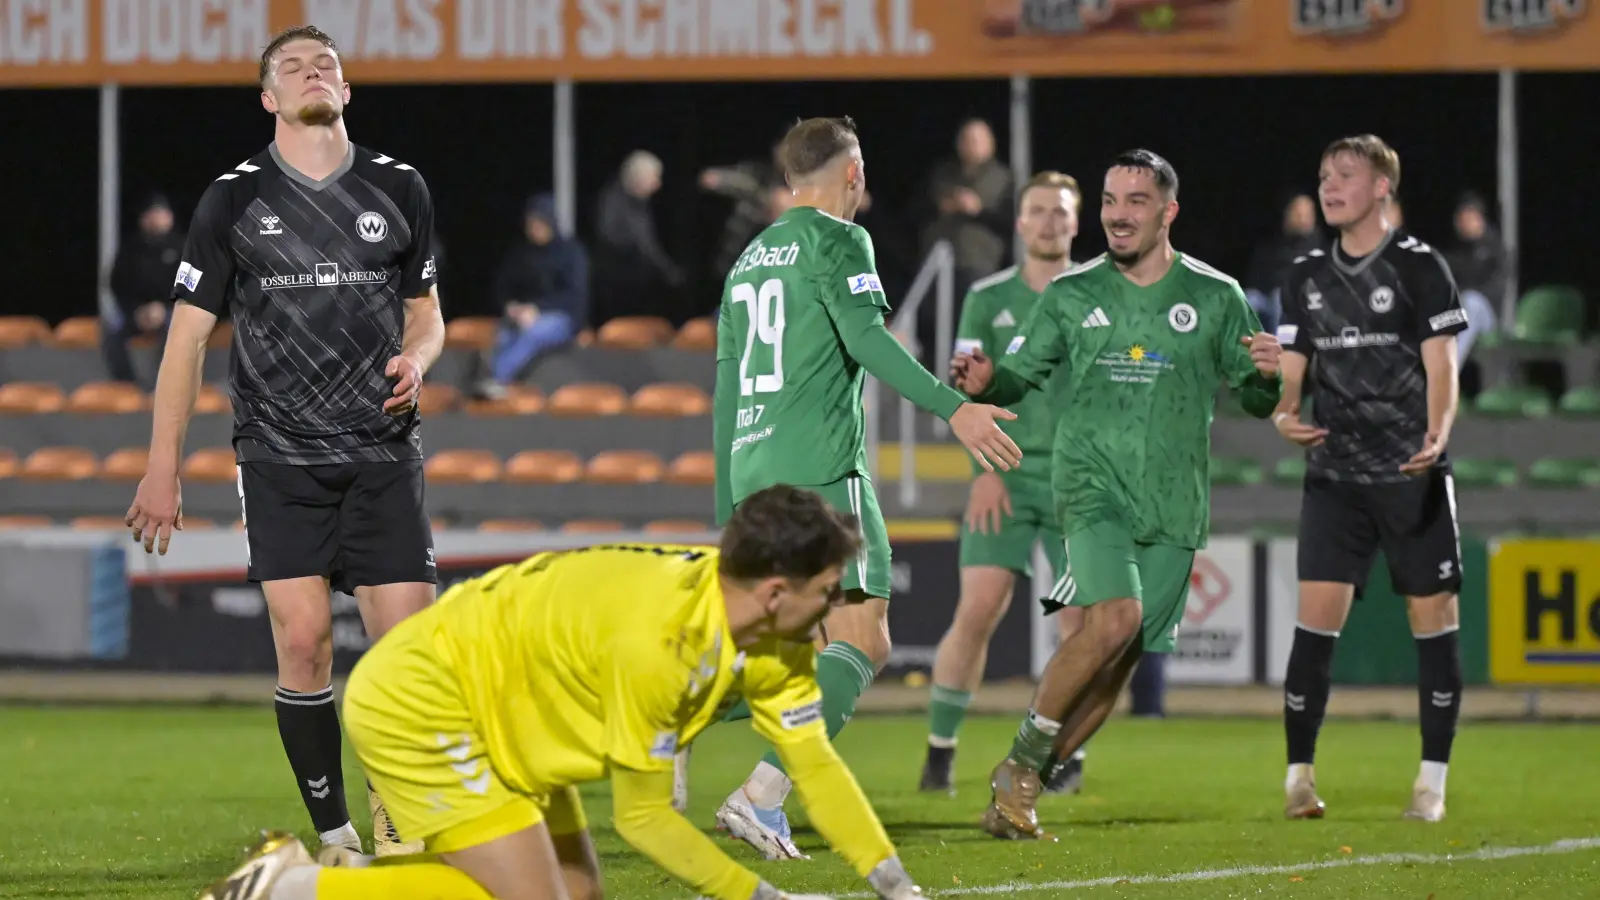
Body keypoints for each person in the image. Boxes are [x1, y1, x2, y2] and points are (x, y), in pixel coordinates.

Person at [199, 486, 927, 900]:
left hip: (509, 713)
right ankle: (289, 892)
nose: (839, 604)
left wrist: (894, 883)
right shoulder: (664, 647)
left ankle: (342, 880)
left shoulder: (774, 642)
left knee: (577, 898)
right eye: (829, 590)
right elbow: (645, 819)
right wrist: (759, 896)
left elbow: (813, 762)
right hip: (426, 700)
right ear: (776, 591)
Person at [124, 24, 444, 858]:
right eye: (295, 67)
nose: (314, 73)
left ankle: (397, 813)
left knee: (409, 658)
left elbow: (428, 315)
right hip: (279, 459)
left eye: (326, 64)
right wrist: (163, 470)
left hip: (382, 453)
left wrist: (420, 356)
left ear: (347, 89)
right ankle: (336, 833)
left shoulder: (399, 186)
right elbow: (186, 343)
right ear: (269, 98)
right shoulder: (232, 200)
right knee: (302, 647)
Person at [706, 116, 1023, 860]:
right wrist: (955, 409)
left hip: (754, 472)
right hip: (820, 470)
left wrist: (728, 505)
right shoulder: (839, 240)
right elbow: (868, 339)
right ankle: (760, 796)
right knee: (865, 638)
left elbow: (725, 388)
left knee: (791, 649)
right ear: (850, 175)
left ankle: (659, 718)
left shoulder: (750, 258)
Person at [949, 149, 1284, 840]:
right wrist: (986, 385)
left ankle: (1020, 781)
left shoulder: (1216, 295)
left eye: (1135, 201)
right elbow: (1019, 377)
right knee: (1111, 619)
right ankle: (1019, 767)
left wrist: (1268, 377)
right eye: (1109, 200)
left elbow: (1253, 398)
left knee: (1120, 658)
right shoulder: (1071, 293)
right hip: (1091, 481)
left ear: (1168, 212)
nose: (1118, 215)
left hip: (1174, 498)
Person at [1272, 135, 1467, 824]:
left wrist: (1439, 430)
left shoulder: (1421, 268)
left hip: (1411, 473)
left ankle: (1431, 784)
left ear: (1381, 187)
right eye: (1324, 175)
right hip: (1335, 476)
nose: (1329, 186)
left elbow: (1442, 364)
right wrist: (1284, 412)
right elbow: (1292, 368)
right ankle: (1299, 778)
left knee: (1433, 625)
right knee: (1313, 627)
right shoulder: (1303, 275)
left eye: (1345, 176)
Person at [920, 171, 1090, 796]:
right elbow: (964, 386)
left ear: (1077, 223)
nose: (1049, 222)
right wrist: (982, 472)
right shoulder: (988, 299)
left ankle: (1062, 754)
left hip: (1079, 485)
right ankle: (940, 753)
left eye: (1061, 212)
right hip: (1007, 473)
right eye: (1038, 211)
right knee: (979, 611)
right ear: (1019, 223)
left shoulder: (1102, 296)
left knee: (1077, 627)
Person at [480, 193, 587, 396]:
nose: (534, 229)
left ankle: (497, 379)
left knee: (533, 332)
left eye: (539, 224)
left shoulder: (571, 253)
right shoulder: (521, 254)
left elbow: (574, 296)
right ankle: (486, 378)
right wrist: (511, 306)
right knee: (502, 335)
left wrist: (538, 309)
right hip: (521, 315)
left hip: (562, 317)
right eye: (531, 224)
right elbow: (503, 288)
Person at [104, 193, 185, 386]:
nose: (156, 219)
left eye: (161, 213)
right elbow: (117, 284)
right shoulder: (131, 251)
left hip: (174, 311)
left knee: (176, 329)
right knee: (111, 331)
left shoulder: (185, 247)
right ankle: (126, 385)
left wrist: (164, 308)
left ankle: (168, 384)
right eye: (151, 214)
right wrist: (136, 311)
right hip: (138, 312)